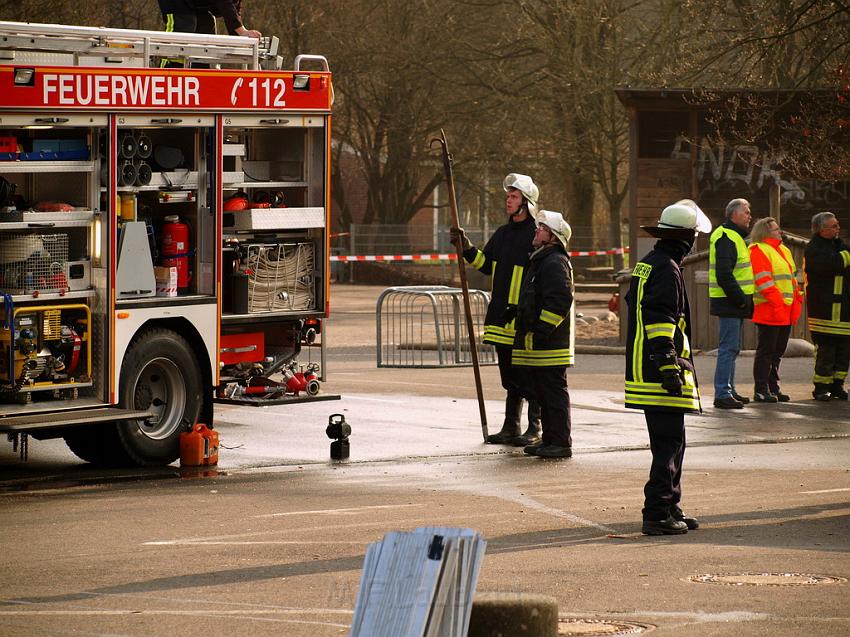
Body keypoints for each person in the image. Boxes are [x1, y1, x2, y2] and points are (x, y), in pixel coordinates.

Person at [625, 199, 711, 535]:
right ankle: (657, 512)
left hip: (646, 372)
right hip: (659, 375)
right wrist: (668, 367)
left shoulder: (649, 263)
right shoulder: (666, 269)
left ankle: (671, 503)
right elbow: (660, 320)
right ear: (686, 238)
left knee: (674, 443)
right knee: (668, 445)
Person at [450, 174, 543, 446]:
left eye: (513, 197)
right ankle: (511, 427)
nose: (508, 201)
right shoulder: (503, 234)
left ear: (526, 202)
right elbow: (486, 264)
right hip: (501, 316)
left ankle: (534, 428)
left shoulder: (536, 234)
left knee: (528, 376)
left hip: (523, 318)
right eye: (508, 196)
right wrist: (466, 247)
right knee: (509, 377)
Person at [512, 211, 575, 459]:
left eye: (541, 228)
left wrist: (541, 331)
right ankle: (550, 439)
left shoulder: (554, 262)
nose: (536, 231)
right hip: (541, 344)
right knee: (544, 394)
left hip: (550, 345)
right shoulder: (542, 260)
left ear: (553, 237)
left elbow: (559, 301)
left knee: (553, 393)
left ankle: (560, 442)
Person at [748, 217, 803, 402]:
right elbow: (763, 281)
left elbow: (791, 279)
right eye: (776, 229)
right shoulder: (758, 250)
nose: (780, 232)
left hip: (784, 310)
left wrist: (797, 299)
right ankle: (761, 389)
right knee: (766, 352)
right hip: (769, 310)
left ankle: (773, 387)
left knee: (777, 353)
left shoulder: (783, 250)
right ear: (765, 232)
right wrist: (779, 304)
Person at [709, 198, 754, 409]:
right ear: (733, 215)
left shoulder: (733, 236)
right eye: (746, 212)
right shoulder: (726, 236)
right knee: (728, 349)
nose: (749, 216)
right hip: (730, 302)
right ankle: (722, 392)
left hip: (733, 302)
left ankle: (729, 389)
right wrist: (740, 301)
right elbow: (724, 275)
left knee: (732, 348)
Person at [803, 212, 850, 400]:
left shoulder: (838, 246)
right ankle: (821, 387)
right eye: (834, 226)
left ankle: (837, 385)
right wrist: (846, 256)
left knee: (843, 352)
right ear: (822, 229)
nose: (838, 228)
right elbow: (834, 264)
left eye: (838, 225)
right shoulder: (814, 249)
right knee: (826, 352)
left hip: (844, 311)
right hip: (824, 312)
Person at [158, 0, 262, 38]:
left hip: (195, 5)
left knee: (207, 23)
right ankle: (168, 71)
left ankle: (200, 73)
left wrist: (239, 36)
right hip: (177, 3)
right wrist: (241, 30)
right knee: (186, 24)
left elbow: (234, 8)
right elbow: (225, 3)